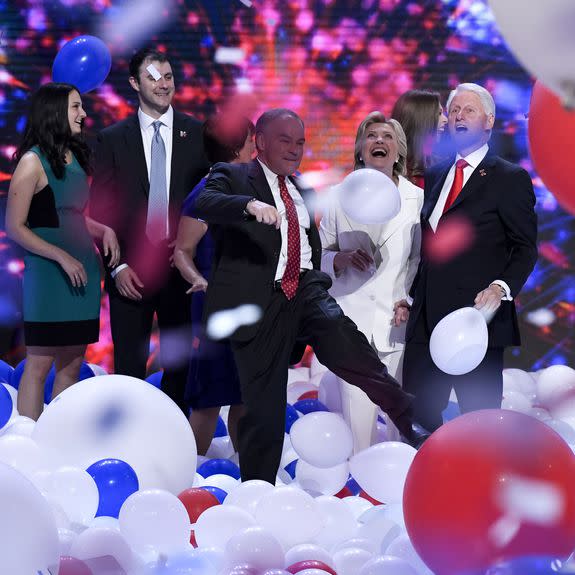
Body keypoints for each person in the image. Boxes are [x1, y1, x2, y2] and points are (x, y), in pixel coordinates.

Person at [193, 108, 428, 483]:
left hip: (304, 288)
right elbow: (203, 202)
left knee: (349, 345)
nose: (294, 149)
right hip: (258, 302)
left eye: (300, 142)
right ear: (261, 142)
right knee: (264, 406)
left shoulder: (303, 188)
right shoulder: (234, 176)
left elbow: (314, 246)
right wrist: (249, 206)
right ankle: (259, 487)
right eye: (285, 140)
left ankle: (407, 416)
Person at [397, 83, 538, 432]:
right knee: (416, 419)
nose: (459, 116)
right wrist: (410, 295)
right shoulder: (435, 174)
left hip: (477, 322)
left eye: (469, 110)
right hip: (426, 322)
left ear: (488, 121)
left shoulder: (509, 178)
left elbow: (525, 247)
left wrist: (500, 287)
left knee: (480, 424)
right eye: (454, 110)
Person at [90, 48, 209, 413]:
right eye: (153, 77)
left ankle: (169, 443)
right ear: (134, 83)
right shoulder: (111, 139)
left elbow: (211, 200)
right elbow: (97, 211)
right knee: (128, 369)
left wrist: (192, 243)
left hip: (179, 273)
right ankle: (129, 444)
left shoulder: (199, 134)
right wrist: (117, 266)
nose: (163, 85)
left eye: (168, 77)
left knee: (179, 368)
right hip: (130, 274)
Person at [5, 82, 120, 420]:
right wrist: (60, 255)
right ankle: (29, 440)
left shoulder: (77, 159)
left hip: (82, 272)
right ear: (54, 111)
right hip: (48, 275)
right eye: (75, 107)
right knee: (39, 365)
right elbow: (16, 226)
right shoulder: (32, 162)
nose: (83, 114)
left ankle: (56, 437)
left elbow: (72, 215)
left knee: (71, 364)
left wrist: (103, 229)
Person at [320, 112, 423, 452]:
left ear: (399, 153)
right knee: (358, 426)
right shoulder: (337, 196)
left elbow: (418, 259)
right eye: (372, 136)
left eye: (388, 137)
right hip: (351, 324)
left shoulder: (416, 200)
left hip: (397, 323)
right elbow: (317, 254)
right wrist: (339, 259)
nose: (379, 141)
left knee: (402, 424)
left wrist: (408, 298)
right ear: (361, 151)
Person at [174, 114, 255, 455]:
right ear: (237, 146)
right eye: (252, 139)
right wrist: (198, 280)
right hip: (214, 309)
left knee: (245, 396)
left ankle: (246, 474)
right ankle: (191, 475)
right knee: (209, 398)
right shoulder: (205, 194)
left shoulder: (252, 188)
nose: (257, 145)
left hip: (247, 305)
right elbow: (182, 251)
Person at [391, 89, 448, 188]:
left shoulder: (443, 168)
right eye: (439, 114)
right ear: (422, 120)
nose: (445, 119)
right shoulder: (389, 169)